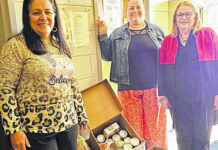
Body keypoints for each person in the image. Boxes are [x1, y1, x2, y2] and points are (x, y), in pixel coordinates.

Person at [0, 0, 89, 150]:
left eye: (48, 12)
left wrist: (81, 113)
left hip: (68, 123)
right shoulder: (15, 46)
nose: (43, 17)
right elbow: (5, 89)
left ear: (54, 15)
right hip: (36, 130)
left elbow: (72, 83)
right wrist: (14, 129)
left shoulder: (60, 44)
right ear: (27, 17)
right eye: (36, 12)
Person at [97, 0, 167, 149]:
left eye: (138, 7)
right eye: (131, 8)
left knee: (154, 133)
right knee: (134, 133)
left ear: (144, 10)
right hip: (128, 91)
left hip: (154, 90)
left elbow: (167, 57)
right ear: (126, 12)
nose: (135, 11)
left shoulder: (158, 31)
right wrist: (103, 35)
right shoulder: (118, 33)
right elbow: (107, 55)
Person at [158, 1, 218, 150]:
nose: (184, 18)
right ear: (175, 19)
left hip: (204, 98)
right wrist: (163, 95)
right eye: (180, 14)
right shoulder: (168, 41)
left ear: (195, 17)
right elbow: (162, 71)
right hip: (178, 100)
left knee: (202, 139)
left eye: (188, 14)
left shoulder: (208, 35)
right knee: (183, 139)